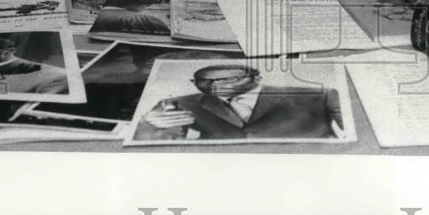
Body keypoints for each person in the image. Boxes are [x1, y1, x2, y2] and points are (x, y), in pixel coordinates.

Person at [133, 64, 346, 141]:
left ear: (257, 79)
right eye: (205, 81)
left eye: (230, 79)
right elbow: (155, 142)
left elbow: (352, 131)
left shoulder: (320, 95)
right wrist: (146, 127)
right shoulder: (177, 103)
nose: (216, 85)